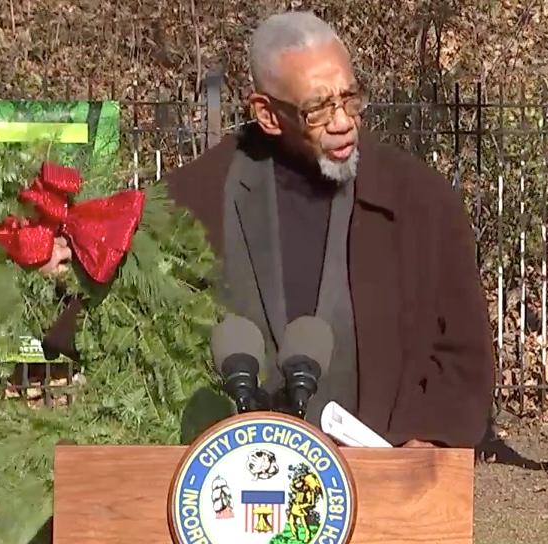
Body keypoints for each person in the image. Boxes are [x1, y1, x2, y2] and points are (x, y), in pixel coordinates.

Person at [44, 11, 495, 449]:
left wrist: (429, 441)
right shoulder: (198, 196)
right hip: (234, 487)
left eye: (349, 99)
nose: (342, 123)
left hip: (378, 489)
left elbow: (462, 351)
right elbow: (115, 316)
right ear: (268, 114)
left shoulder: (420, 202)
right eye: (318, 109)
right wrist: (63, 271)